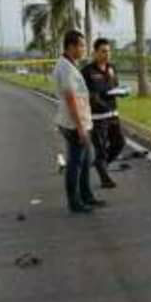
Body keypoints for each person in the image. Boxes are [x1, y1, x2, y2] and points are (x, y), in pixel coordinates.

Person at [52, 30, 105, 213]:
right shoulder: (65, 68)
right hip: (74, 123)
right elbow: (71, 99)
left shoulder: (69, 65)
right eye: (81, 45)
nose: (84, 49)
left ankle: (86, 196)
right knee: (76, 163)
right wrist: (81, 128)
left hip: (79, 121)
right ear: (71, 46)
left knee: (84, 160)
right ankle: (75, 202)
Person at [80, 38, 126, 188]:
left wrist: (121, 92)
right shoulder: (87, 72)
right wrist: (101, 99)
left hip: (113, 115)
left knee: (119, 143)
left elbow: (115, 86)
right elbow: (87, 95)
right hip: (97, 118)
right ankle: (105, 179)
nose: (107, 54)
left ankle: (101, 164)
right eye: (103, 51)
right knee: (100, 149)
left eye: (109, 51)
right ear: (95, 53)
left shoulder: (111, 68)